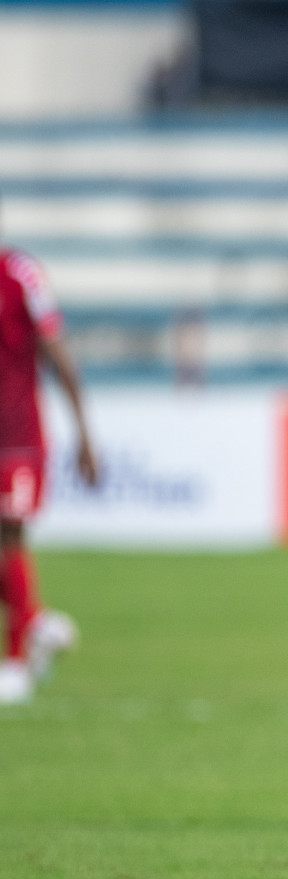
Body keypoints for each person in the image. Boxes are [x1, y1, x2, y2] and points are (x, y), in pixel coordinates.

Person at [0, 231, 96, 704]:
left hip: (15, 440)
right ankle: (35, 621)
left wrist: (84, 434)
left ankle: (16, 663)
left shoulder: (21, 276)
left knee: (8, 536)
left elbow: (57, 352)